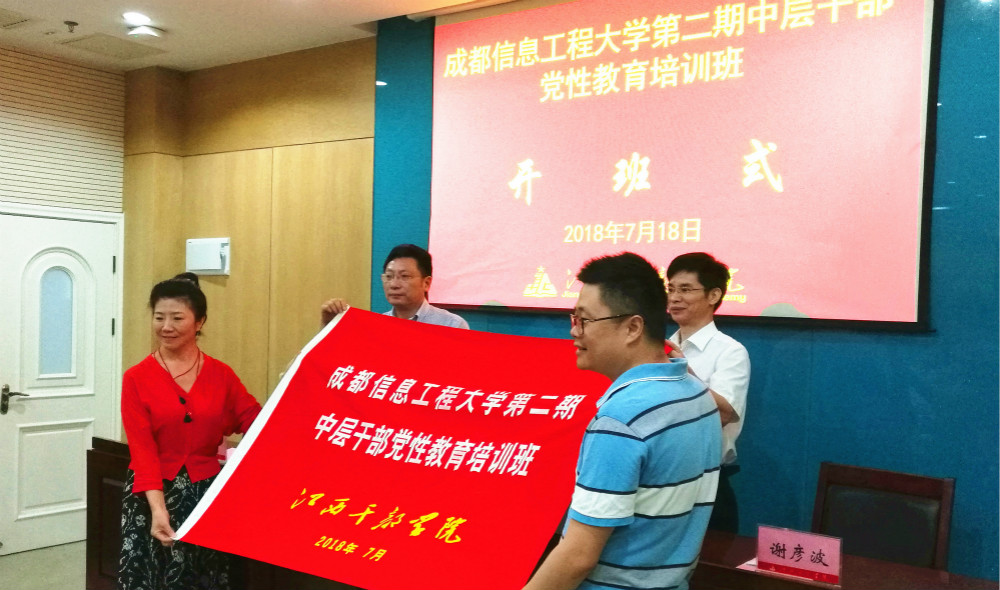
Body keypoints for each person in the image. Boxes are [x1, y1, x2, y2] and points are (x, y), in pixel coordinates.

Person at [524, 252, 721, 590]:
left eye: (585, 320)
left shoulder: (621, 420)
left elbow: (577, 557)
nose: (574, 331)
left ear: (632, 327)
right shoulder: (698, 395)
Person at [118, 273, 261, 590]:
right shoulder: (136, 378)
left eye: (177, 318)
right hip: (152, 495)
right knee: (152, 576)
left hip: (205, 493)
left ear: (200, 322)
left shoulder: (221, 374)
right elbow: (142, 452)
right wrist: (158, 511)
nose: (166, 326)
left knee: (202, 577)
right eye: (159, 317)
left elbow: (257, 421)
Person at [665, 252, 750, 533]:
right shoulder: (658, 348)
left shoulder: (730, 351)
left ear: (713, 295)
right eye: (671, 289)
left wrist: (682, 372)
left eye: (685, 289)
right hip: (658, 477)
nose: (675, 298)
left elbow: (722, 414)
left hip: (705, 482)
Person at [320, 243, 468, 329]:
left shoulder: (451, 325)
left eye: (405, 276)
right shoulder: (375, 326)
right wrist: (329, 324)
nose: (394, 284)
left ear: (426, 283)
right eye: (389, 277)